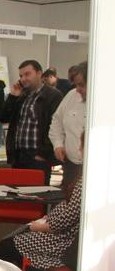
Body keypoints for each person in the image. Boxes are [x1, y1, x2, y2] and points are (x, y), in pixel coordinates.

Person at [0, 177, 82, 271]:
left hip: (61, 242)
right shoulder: (87, 181)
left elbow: (68, 218)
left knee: (8, 245)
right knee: (17, 247)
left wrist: (41, 226)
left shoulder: (86, 183)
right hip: (59, 236)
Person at [3, 60, 64, 184]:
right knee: (16, 192)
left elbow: (56, 126)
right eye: (21, 76)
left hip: (37, 156)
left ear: (39, 73)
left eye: (27, 74)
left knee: (37, 193)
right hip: (18, 156)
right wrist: (13, 96)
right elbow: (4, 117)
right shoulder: (22, 96)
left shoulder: (53, 95)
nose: (23, 79)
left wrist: (43, 153)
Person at [49, 61, 87, 191]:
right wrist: (58, 144)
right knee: (68, 199)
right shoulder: (71, 95)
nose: (78, 89)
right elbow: (57, 121)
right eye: (76, 84)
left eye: (81, 85)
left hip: (95, 168)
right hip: (71, 166)